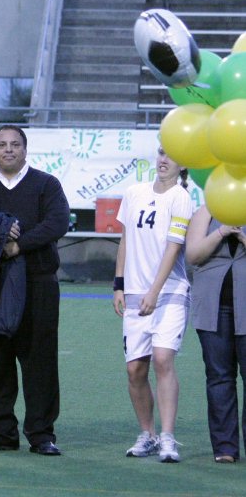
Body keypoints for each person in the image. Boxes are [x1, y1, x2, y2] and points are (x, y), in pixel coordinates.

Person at [0, 124, 69, 456]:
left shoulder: (46, 184)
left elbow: (58, 222)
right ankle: (1, 433)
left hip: (38, 286)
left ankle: (42, 434)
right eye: (2, 144)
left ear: (25, 149)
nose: (8, 150)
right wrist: (0, 228)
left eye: (15, 144)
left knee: (40, 362)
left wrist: (18, 246)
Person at [112, 146, 193, 463]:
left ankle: (168, 439)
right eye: (161, 152)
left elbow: (173, 248)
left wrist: (154, 292)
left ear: (182, 163)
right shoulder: (134, 193)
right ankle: (147, 434)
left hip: (169, 293)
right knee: (135, 369)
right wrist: (119, 284)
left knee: (162, 360)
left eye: (172, 154)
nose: (163, 159)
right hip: (133, 294)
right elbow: (125, 240)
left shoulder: (180, 197)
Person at [186, 206, 246, 463]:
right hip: (213, 306)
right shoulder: (207, 211)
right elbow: (193, 255)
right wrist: (221, 231)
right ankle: (225, 448)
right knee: (219, 376)